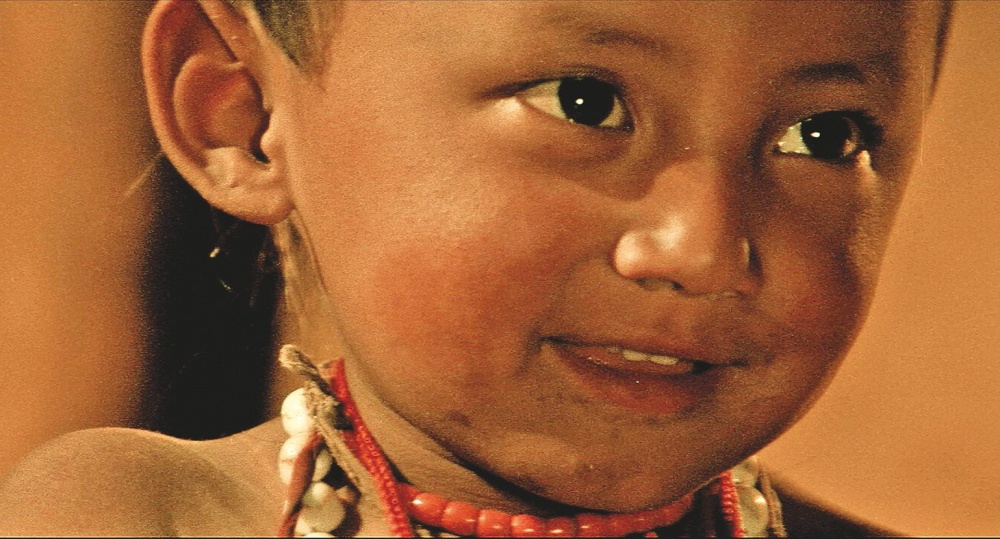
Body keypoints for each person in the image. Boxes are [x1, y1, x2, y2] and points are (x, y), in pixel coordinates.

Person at [0, 0, 952, 536]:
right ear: (243, 115)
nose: (701, 250)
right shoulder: (144, 518)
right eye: (583, 102)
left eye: (824, 135)